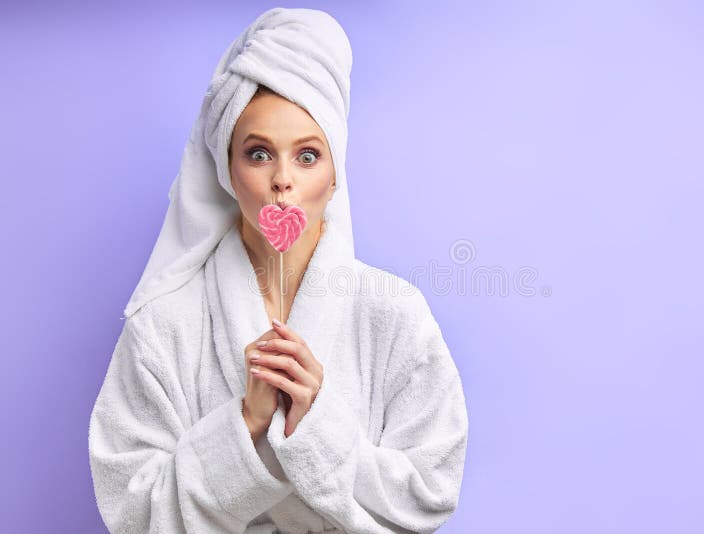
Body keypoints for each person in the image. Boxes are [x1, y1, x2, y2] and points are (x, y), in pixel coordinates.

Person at [88, 7, 469, 534]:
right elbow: (131, 510)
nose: (283, 180)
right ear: (226, 168)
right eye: (259, 153)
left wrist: (320, 424)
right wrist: (244, 424)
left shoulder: (393, 313)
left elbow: (430, 492)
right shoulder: (163, 325)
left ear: (336, 174)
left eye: (309, 156)